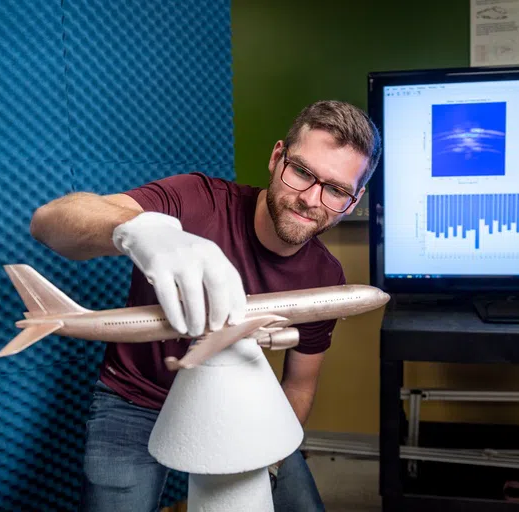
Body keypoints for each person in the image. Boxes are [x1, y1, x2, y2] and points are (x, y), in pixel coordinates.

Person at [29, 99, 381, 512]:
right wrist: (139, 229)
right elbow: (48, 222)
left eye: (336, 189)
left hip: (236, 398)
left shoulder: (325, 277)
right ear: (276, 157)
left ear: (353, 201)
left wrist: (271, 455)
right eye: (302, 171)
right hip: (135, 399)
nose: (310, 198)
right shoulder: (197, 200)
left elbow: (300, 383)